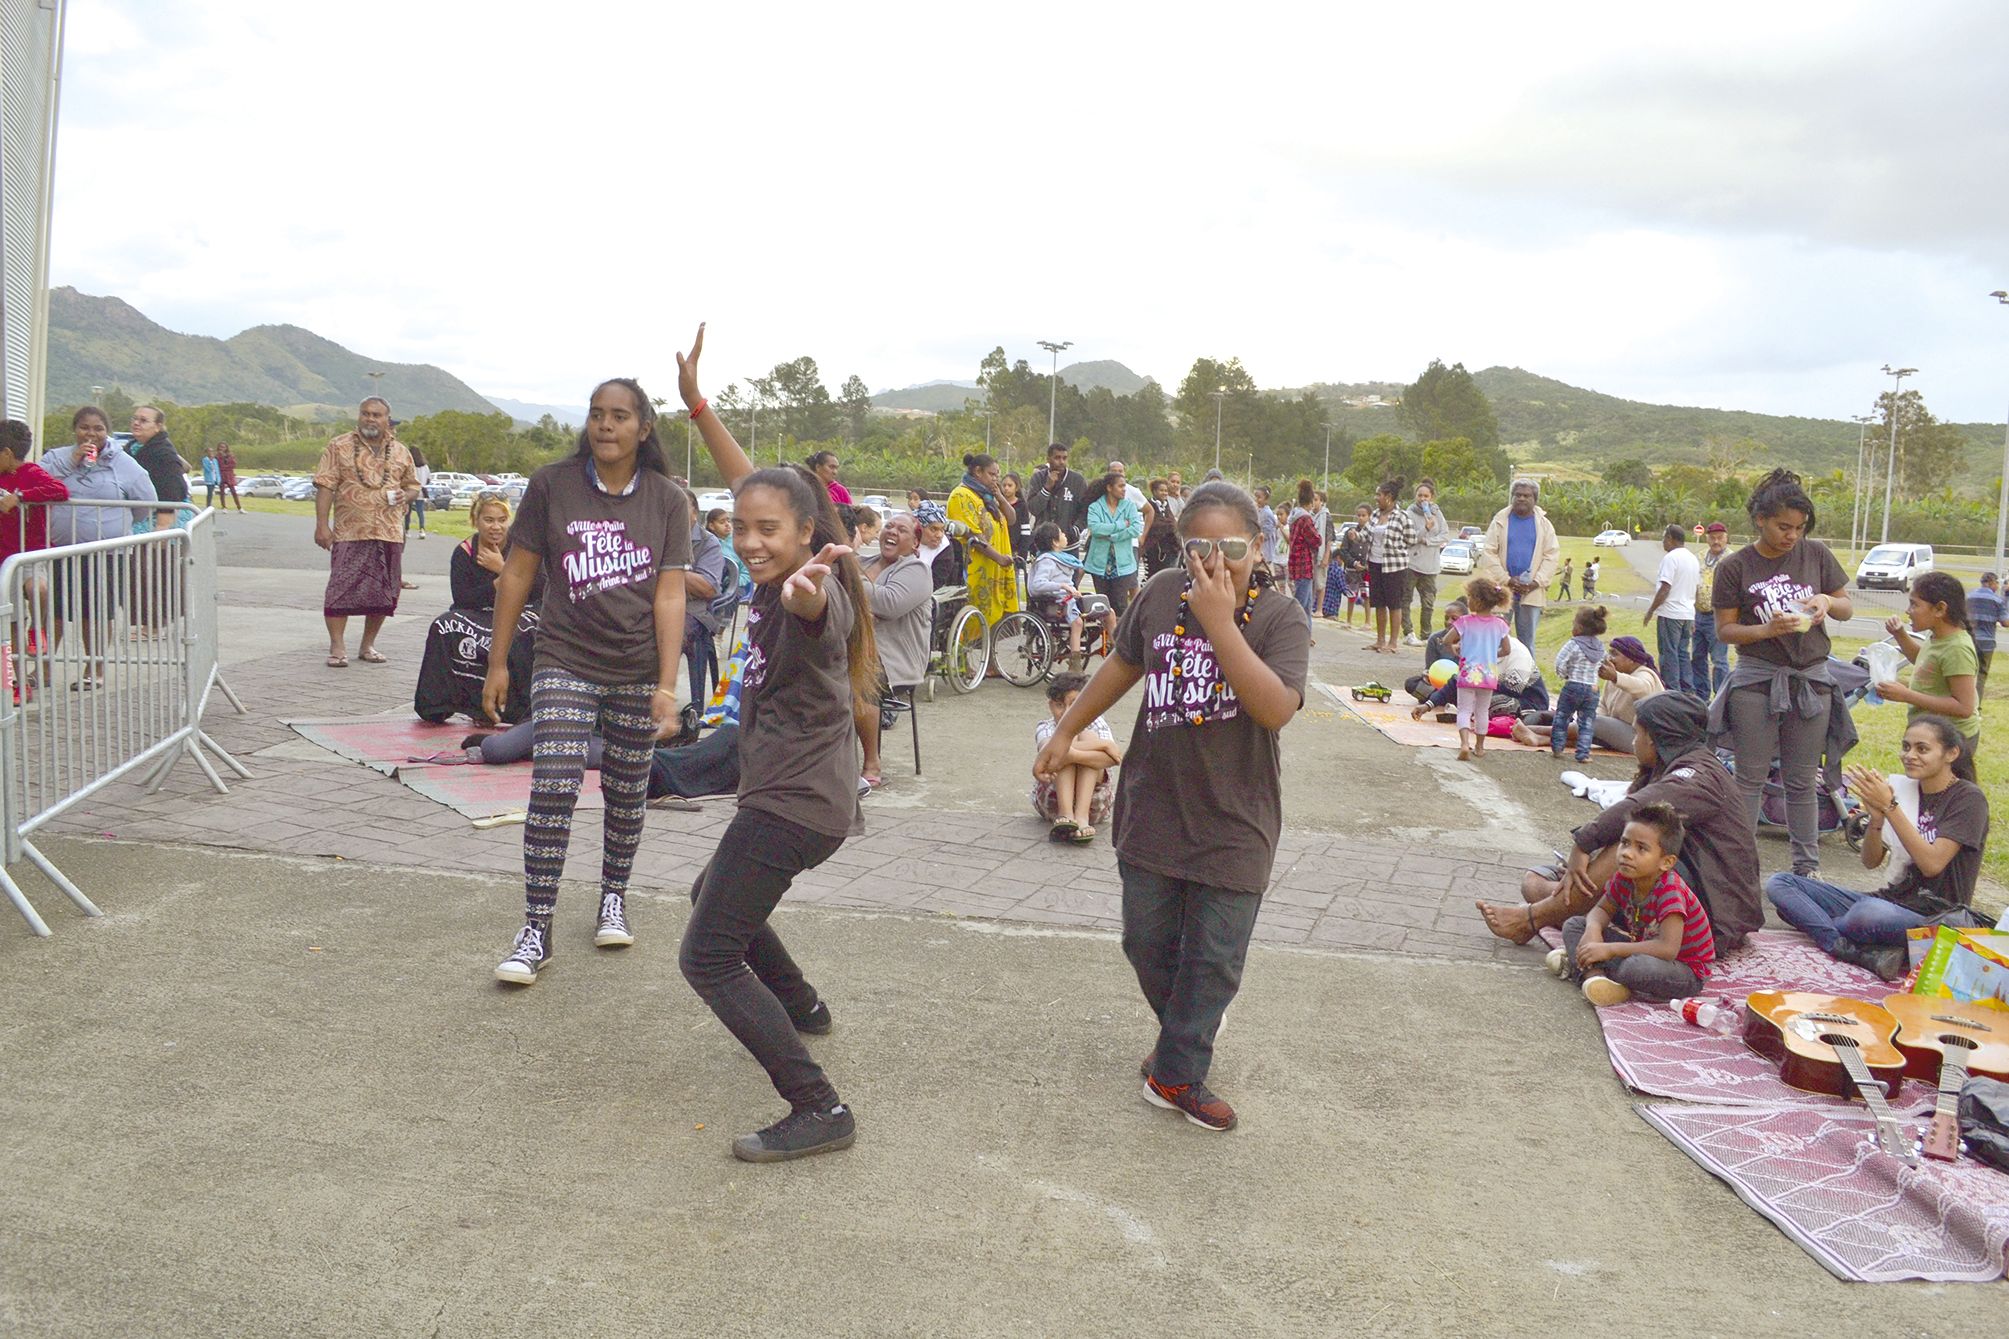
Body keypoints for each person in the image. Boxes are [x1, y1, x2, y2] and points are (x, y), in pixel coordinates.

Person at [1035, 480, 1310, 1133]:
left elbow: (1274, 708)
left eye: (1233, 546)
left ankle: (1177, 1070)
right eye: (1199, 547)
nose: (1216, 560)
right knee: (1147, 941)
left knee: (1213, 955)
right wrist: (1069, 729)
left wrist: (1219, 622)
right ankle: (1183, 1038)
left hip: (1235, 818)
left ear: (1260, 543)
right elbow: (1121, 666)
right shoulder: (1160, 594)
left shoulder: (1280, 618)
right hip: (1153, 804)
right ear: (1180, 547)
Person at [678, 323, 880, 1163]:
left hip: (792, 805)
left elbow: (809, 603)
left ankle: (818, 1105)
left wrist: (803, 587)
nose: (752, 539)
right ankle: (800, 1004)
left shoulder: (813, 594)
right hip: (807, 799)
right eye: (743, 527)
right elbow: (756, 487)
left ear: (808, 533)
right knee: (709, 894)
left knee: (709, 953)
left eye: (771, 530)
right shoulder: (770, 556)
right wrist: (697, 405)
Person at [483, 376, 691, 986]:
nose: (606, 425)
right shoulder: (552, 485)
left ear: (643, 428)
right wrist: (498, 661)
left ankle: (613, 897)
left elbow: (671, 592)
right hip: (564, 657)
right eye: (598, 414)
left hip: (635, 667)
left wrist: (666, 682)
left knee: (629, 788)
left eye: (620, 416)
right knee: (553, 782)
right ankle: (536, 928)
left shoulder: (667, 500)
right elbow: (517, 575)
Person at [1478, 692, 1764, 953]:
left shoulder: (1698, 777)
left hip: (1715, 916)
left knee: (1630, 844)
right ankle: (1565, 909)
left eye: (1637, 734)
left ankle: (1533, 919)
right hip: (1666, 889)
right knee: (1535, 882)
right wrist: (1583, 860)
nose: (1633, 742)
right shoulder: (1672, 767)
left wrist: (1582, 844)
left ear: (1655, 738)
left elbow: (1637, 809)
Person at [1766, 716, 1990, 981]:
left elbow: (1932, 865)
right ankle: (1850, 948)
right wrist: (1876, 818)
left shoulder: (1968, 799)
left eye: (1922, 749)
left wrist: (1890, 807)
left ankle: (1825, 928)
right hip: (1891, 899)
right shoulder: (1907, 789)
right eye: (1906, 747)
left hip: (1934, 915)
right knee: (1781, 884)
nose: (1910, 755)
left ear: (1951, 753)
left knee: (1865, 915)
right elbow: (1870, 861)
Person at [1707, 469, 1852, 877]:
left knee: (1803, 779)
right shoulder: (1735, 566)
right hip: (1757, 680)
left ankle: (1807, 868)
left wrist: (1825, 600)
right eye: (1783, 527)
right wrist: (1767, 629)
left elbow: (1846, 607)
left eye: (1800, 528)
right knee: (1750, 777)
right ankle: (1736, 866)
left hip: (1811, 680)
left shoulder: (1816, 554)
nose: (1792, 536)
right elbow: (1726, 630)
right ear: (1760, 520)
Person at [1554, 803, 1713, 1006]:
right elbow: (1602, 909)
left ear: (1666, 862)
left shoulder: (1670, 891)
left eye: (1641, 848)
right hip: (1643, 949)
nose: (1627, 853)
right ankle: (1595, 979)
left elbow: (1667, 949)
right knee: (1576, 925)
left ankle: (1585, 964)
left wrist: (1610, 950)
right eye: (1625, 843)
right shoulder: (1625, 877)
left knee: (1634, 968)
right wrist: (1593, 930)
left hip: (1684, 969)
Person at [42, 407, 155, 686]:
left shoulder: (124, 463)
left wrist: (117, 525)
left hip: (105, 553)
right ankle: (43, 670)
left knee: (95, 612)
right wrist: (72, 460)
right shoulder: (56, 457)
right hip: (63, 550)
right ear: (75, 430)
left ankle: (95, 670)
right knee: (53, 612)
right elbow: (40, 483)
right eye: (84, 427)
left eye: (98, 428)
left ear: (107, 431)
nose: (91, 434)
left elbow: (146, 501)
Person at [312, 399, 421, 667]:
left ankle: (368, 645)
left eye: (376, 415)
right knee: (340, 588)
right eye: (365, 414)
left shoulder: (400, 451)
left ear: (387, 418)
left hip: (389, 531)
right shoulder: (339, 446)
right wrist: (322, 525)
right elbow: (325, 487)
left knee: (384, 591)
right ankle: (337, 647)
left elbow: (413, 486)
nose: (370, 419)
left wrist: (403, 496)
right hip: (350, 531)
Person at [1872, 572, 1980, 780]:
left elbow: (1964, 707)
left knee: (1947, 798)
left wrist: (1907, 695)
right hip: (1932, 737)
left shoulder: (1957, 648)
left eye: (1914, 605)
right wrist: (1900, 635)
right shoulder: (1938, 637)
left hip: (1951, 741)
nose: (1908, 611)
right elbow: (1925, 662)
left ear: (1940, 609)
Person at [857, 511, 932, 786]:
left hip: (894, 661)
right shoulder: (861, 561)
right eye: (889, 525)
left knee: (861, 675)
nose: (892, 531)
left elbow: (888, 604)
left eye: (901, 530)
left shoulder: (916, 570)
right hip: (853, 649)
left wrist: (854, 580)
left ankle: (871, 763)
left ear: (914, 544)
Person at [1033, 670, 1122, 843]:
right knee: (1065, 740)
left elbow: (1114, 759)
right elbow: (1049, 752)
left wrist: (1071, 754)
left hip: (1095, 805)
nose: (1067, 712)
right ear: (1050, 705)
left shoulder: (1097, 722)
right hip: (1052, 803)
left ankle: (1081, 817)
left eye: (1074, 705)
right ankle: (1066, 813)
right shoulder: (1045, 727)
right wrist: (1103, 745)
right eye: (1059, 705)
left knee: (1085, 736)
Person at [1477, 478, 1560, 648]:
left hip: (1531, 592)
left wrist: (1535, 583)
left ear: (1534, 499)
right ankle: (1494, 674)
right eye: (1518, 495)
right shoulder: (1500, 520)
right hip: (1501, 590)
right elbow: (1488, 552)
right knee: (1495, 638)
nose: (1521, 498)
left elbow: (1551, 555)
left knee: (1526, 641)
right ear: (1512, 497)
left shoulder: (1544, 525)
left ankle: (1526, 674)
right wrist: (1507, 580)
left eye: (1526, 496)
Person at [947, 452, 1020, 629]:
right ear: (978, 472)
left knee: (996, 622)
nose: (996, 479)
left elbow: (1011, 519)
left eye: (998, 475)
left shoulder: (987, 497)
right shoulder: (961, 496)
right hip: (976, 571)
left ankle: (989, 654)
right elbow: (973, 535)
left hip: (995, 569)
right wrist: (999, 558)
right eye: (992, 474)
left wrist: (1000, 497)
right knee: (974, 623)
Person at [1451, 578, 1512, 761]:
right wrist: (1491, 655)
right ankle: (1479, 746)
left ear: (1476, 600)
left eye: (1469, 596)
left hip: (1468, 673)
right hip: (1488, 674)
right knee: (1482, 711)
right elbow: (1507, 650)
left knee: (1464, 710)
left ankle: (1464, 744)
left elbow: (1447, 639)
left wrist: (1455, 649)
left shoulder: (1465, 622)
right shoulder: (1500, 624)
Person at [1028, 522, 1101, 671]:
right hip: (1057, 603)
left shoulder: (1061, 558)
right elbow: (1036, 585)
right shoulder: (1047, 561)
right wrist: (1062, 586)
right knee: (1078, 623)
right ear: (1055, 542)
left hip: (1070, 598)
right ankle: (1074, 664)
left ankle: (1115, 647)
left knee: (1106, 610)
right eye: (1061, 533)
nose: (1065, 535)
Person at [1642, 524, 1700, 695]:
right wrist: (1693, 614)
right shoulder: (1692, 558)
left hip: (1671, 613)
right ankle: (1688, 690)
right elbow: (1695, 589)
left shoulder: (1671, 558)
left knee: (1669, 653)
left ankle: (1672, 691)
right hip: (1687, 614)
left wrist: (1651, 610)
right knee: (1682, 652)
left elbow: (1665, 587)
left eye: (1664, 538)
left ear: (1671, 539)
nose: (1663, 542)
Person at [1550, 605, 1608, 762]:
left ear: (1579, 627)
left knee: (1562, 717)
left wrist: (1564, 675)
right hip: (1592, 689)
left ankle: (1558, 748)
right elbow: (1605, 663)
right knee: (1587, 722)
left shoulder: (1573, 644)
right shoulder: (1600, 646)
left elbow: (1560, 662)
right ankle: (1583, 753)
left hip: (1573, 685)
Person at [1368, 479, 1417, 656]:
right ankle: (1380, 640)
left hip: (1394, 567)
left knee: (1394, 604)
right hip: (1375, 562)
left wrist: (1395, 547)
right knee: (1379, 602)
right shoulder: (1374, 515)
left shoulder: (1402, 517)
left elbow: (1412, 539)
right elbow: (1366, 534)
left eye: (1379, 495)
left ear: (1389, 497)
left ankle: (1393, 642)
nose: (1376, 498)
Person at [1084, 469, 1143, 615]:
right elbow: (1096, 529)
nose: (1124, 489)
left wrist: (1113, 537)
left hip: (1123, 564)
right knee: (1103, 604)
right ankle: (1106, 635)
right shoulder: (1095, 507)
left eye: (1125, 486)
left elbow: (1136, 529)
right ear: (1109, 488)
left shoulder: (1129, 506)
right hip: (1099, 563)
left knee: (1120, 603)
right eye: (1120, 486)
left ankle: (1119, 636)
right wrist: (1122, 525)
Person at [1401, 479, 1451, 647]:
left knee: (1428, 603)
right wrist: (1425, 530)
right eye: (1420, 495)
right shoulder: (1409, 513)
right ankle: (1408, 632)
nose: (1423, 499)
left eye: (1426, 496)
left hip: (1431, 565)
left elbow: (1445, 535)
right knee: (1405, 599)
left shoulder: (1437, 513)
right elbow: (1410, 537)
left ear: (1432, 497)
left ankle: (1426, 635)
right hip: (1412, 563)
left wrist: (1429, 540)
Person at [127, 406, 189, 534]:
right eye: (134, 419)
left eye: (143, 420)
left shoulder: (163, 453)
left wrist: (162, 526)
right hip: (140, 515)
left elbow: (171, 489)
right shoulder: (131, 448)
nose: (136, 423)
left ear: (157, 427)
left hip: (161, 521)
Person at [1691, 522, 1731, 696]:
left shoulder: (1731, 560)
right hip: (1698, 614)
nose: (1716, 542)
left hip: (1718, 616)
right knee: (1698, 657)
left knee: (1719, 660)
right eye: (1713, 538)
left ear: (1726, 538)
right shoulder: (1698, 557)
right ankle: (1702, 696)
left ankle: (1721, 696)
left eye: (1720, 538)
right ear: (1707, 539)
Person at [1025, 442, 1089, 544]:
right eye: (1057, 458)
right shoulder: (1038, 478)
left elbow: (1085, 510)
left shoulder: (1078, 480)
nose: (1061, 462)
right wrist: (1047, 488)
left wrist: (1075, 530)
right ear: (1048, 459)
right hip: (1042, 543)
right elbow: (1033, 508)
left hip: (1068, 544)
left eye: (1064, 458)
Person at [1404, 599, 1466, 702]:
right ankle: (1443, 699)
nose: (1448, 622)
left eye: (1454, 618)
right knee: (1411, 683)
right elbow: (1430, 667)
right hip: (1439, 684)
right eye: (1446, 618)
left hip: (1462, 684)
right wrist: (1427, 675)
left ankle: (1436, 700)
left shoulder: (1472, 639)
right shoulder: (1435, 639)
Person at [1285, 480, 1322, 619]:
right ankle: (1298, 635)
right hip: (1304, 566)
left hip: (1295, 564)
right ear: (1311, 501)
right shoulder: (1305, 518)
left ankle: (1306, 636)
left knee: (1306, 606)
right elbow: (1316, 540)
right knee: (1302, 606)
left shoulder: (1294, 517)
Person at [1968, 571, 2007, 696]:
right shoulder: (1997, 600)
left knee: (1967, 672)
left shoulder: (1969, 597)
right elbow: (2005, 622)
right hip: (1987, 643)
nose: (1998, 586)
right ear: (1991, 583)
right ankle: (1976, 706)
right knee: (1981, 674)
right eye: (1997, 583)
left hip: (1969, 641)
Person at [914, 501, 962, 589]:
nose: (939, 535)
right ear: (919, 528)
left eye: (942, 529)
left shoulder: (945, 549)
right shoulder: (906, 540)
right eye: (934, 529)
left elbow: (935, 585)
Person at [1141, 478, 1181, 578]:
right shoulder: (1149, 505)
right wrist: (1170, 525)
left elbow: (1173, 523)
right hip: (1153, 549)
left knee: (1168, 577)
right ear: (1154, 491)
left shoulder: (1167, 506)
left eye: (1166, 491)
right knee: (1152, 577)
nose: (1164, 493)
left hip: (1169, 548)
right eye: (1161, 490)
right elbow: (1155, 524)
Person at [1250, 484, 1281, 577]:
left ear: (1266, 499)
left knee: (1264, 576)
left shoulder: (1267, 514)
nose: (1256, 500)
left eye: (1259, 497)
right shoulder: (1259, 511)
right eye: (1255, 497)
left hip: (1265, 552)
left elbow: (1266, 535)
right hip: (1260, 551)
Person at [403, 446, 432, 540]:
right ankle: (422, 530)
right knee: (420, 511)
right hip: (421, 490)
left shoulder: (410, 465)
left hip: (410, 489)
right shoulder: (425, 467)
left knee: (408, 511)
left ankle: (407, 530)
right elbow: (429, 479)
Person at [214, 442, 243, 511]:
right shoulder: (217, 456)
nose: (222, 448)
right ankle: (224, 507)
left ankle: (239, 507)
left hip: (229, 475)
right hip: (221, 475)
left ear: (226, 448)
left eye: (224, 447)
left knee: (233, 491)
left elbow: (233, 464)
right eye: (221, 447)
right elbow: (218, 466)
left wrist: (226, 466)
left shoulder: (230, 455)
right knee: (222, 492)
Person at [200, 446, 222, 511]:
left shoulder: (215, 460)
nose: (211, 452)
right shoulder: (205, 460)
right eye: (209, 451)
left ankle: (210, 504)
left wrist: (218, 478)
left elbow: (217, 469)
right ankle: (208, 505)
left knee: (212, 492)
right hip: (209, 479)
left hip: (214, 478)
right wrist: (210, 462)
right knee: (209, 492)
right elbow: (208, 469)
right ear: (207, 452)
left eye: (212, 451)